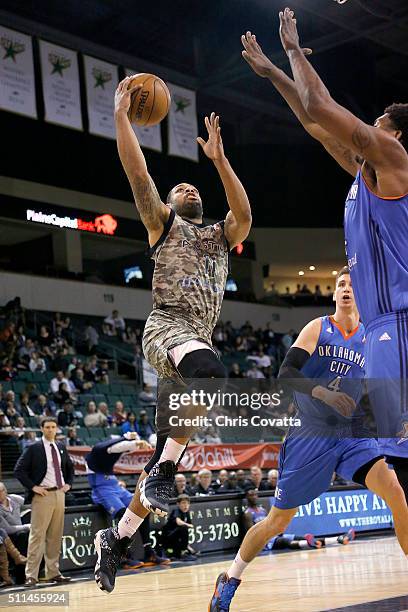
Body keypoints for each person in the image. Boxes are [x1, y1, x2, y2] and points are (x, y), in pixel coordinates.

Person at [94, 76, 252, 594]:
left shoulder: (220, 237)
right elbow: (136, 172)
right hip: (168, 332)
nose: (188, 187)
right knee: (213, 371)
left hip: (192, 349)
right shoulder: (163, 224)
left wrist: (220, 161)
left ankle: (114, 541)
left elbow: (244, 214)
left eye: (194, 187)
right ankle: (161, 470)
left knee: (162, 471)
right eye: (178, 186)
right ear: (167, 201)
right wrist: (121, 115)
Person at [241, 13, 408, 497]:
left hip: (397, 324)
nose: (370, 129)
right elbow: (316, 122)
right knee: (397, 460)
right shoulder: (366, 173)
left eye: (378, 124)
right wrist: (275, 74)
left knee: (398, 458)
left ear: (395, 135)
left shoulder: (395, 161)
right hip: (386, 328)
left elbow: (321, 102)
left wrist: (293, 50)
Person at [209, 267, 408, 609]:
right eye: (340, 285)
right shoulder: (319, 328)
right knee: (276, 522)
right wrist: (322, 393)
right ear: (333, 295)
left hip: (351, 433)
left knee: (396, 493)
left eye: (351, 285)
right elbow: (286, 373)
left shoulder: (372, 337)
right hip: (310, 434)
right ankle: (230, 578)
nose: (346, 289)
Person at [85, 433, 168, 568]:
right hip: (101, 488)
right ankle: (123, 556)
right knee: (123, 514)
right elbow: (118, 447)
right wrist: (133, 442)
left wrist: (136, 442)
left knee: (143, 506)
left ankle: (148, 552)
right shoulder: (99, 450)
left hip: (114, 484)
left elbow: (121, 447)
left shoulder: (106, 450)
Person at [14, 417, 74, 586]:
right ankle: (31, 575)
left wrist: (68, 484)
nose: (50, 430)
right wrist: (33, 487)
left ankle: (53, 572)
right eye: (47, 427)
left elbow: (69, 468)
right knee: (37, 536)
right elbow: (19, 470)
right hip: (43, 496)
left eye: (53, 427)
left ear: (57, 429)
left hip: (59, 494)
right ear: (42, 429)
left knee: (55, 536)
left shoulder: (61, 447)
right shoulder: (34, 448)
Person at [161, 495, 196, 561]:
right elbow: (178, 522)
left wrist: (188, 547)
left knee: (184, 529)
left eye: (187, 503)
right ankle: (183, 552)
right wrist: (188, 525)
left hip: (177, 538)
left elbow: (189, 525)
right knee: (183, 528)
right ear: (178, 504)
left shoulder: (186, 513)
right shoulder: (176, 511)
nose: (186, 505)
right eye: (183, 503)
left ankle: (181, 552)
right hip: (168, 538)